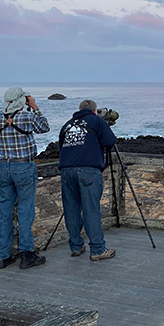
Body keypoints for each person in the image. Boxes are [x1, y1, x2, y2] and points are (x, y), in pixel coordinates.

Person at [0, 87, 50, 269]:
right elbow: (44, 127)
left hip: (3, 167)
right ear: (21, 100)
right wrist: (34, 106)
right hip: (23, 166)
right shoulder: (27, 116)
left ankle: (2, 256)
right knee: (25, 211)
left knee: (4, 213)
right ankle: (26, 254)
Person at [58, 99, 118, 261]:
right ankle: (98, 249)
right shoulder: (97, 121)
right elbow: (110, 142)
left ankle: (76, 246)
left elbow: (61, 147)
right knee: (91, 209)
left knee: (71, 210)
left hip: (66, 170)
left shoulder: (67, 125)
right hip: (88, 170)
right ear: (94, 111)